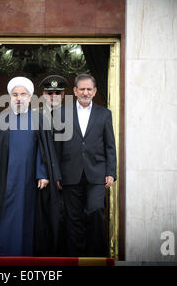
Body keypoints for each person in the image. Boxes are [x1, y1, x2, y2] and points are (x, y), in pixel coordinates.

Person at [0, 76, 61, 256]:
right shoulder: (2, 119)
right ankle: (4, 253)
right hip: (6, 178)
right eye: (15, 94)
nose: (19, 98)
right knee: (6, 215)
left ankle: (26, 255)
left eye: (23, 94)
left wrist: (42, 173)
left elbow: (44, 150)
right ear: (10, 97)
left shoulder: (39, 118)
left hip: (29, 180)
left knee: (28, 217)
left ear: (30, 97)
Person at [55, 73, 116, 257]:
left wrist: (111, 172)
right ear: (74, 91)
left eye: (89, 89)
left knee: (96, 210)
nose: (85, 92)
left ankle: (95, 256)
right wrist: (57, 174)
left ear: (95, 91)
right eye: (82, 89)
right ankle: (75, 258)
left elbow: (110, 145)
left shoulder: (104, 114)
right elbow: (56, 147)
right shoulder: (61, 113)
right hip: (69, 173)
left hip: (96, 173)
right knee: (73, 219)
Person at [39, 74, 68, 256]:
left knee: (62, 219)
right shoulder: (34, 116)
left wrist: (61, 175)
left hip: (63, 178)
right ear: (43, 94)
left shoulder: (71, 115)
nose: (53, 96)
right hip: (41, 176)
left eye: (57, 92)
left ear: (63, 94)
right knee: (41, 219)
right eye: (50, 93)